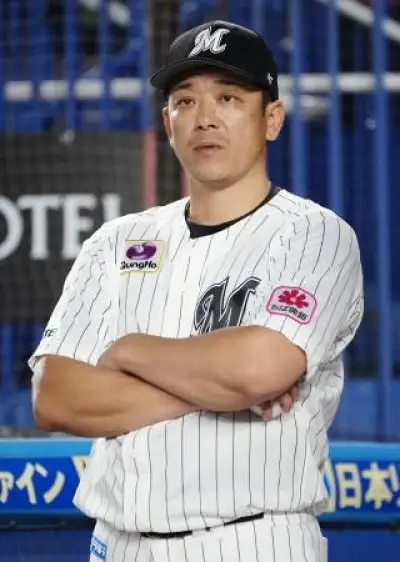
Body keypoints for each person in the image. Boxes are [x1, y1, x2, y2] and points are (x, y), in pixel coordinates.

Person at [29, 19, 364, 562]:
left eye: (229, 97)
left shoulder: (314, 234)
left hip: (251, 540)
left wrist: (128, 352)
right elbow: (55, 396)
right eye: (185, 101)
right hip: (117, 544)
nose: (205, 117)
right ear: (168, 123)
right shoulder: (116, 241)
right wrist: (224, 390)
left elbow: (259, 369)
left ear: (272, 119)